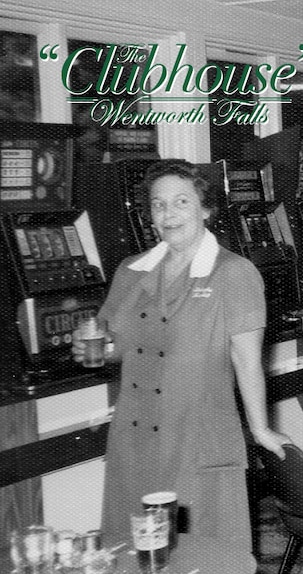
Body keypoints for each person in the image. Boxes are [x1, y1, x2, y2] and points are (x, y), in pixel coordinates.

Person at [71, 159, 289, 551]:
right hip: (134, 435)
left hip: (197, 434)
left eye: (181, 202)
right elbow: (115, 343)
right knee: (133, 548)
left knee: (201, 550)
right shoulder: (131, 269)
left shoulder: (233, 273)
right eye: (158, 204)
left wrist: (260, 428)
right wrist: (96, 348)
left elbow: (246, 360)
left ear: (206, 209)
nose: (168, 214)